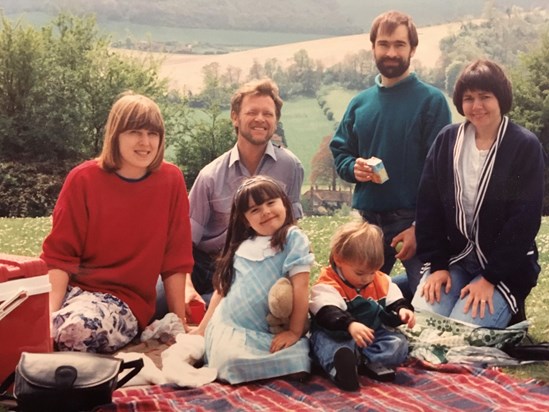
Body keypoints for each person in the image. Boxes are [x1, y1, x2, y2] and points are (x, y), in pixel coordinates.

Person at [41, 93, 194, 353]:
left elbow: (175, 259)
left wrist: (179, 320)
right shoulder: (83, 179)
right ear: (116, 135)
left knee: (77, 331)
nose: (145, 142)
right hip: (73, 293)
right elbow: (59, 257)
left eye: (153, 133)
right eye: (135, 132)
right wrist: (45, 317)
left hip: (124, 304)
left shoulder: (171, 180)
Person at [411, 59, 545, 328]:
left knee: (462, 334)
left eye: (485, 96)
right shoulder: (447, 141)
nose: (476, 106)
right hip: (455, 259)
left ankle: (506, 309)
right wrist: (437, 266)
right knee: (424, 323)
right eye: (469, 98)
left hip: (504, 269)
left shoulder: (523, 145)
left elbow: (523, 221)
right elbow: (429, 206)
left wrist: (490, 278)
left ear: (501, 99)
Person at [329, 10, 451, 300]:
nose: (391, 52)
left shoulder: (431, 101)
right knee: (349, 300)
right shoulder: (360, 103)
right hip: (366, 221)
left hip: (412, 221)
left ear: (412, 49)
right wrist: (352, 168)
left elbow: (443, 173)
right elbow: (341, 150)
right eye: (384, 44)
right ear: (373, 47)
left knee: (430, 302)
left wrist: (419, 227)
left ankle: (396, 298)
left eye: (399, 44)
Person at [186, 78, 304, 303]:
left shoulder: (291, 167)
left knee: (251, 304)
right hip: (207, 266)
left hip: (261, 267)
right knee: (158, 300)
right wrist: (186, 286)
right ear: (235, 117)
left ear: (276, 120)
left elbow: (291, 228)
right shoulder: (210, 176)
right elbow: (185, 242)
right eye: (252, 112)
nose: (260, 119)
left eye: (268, 114)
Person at [192, 175, 313, 384]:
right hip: (230, 327)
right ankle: (258, 366)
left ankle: (278, 364)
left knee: (301, 356)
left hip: (265, 330)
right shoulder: (242, 246)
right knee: (228, 362)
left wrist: (294, 332)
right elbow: (222, 291)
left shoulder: (292, 238)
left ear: (284, 203)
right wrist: (202, 329)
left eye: (270, 203)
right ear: (245, 220)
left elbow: (301, 287)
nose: (265, 211)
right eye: (254, 210)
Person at [309, 220, 415, 391]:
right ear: (338, 259)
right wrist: (350, 324)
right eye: (360, 273)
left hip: (370, 336)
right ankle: (339, 370)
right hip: (337, 334)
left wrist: (403, 311)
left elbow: (395, 300)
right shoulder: (328, 283)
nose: (367, 278)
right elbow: (327, 312)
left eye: (372, 272)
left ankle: (362, 362)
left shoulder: (380, 280)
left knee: (398, 343)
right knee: (328, 345)